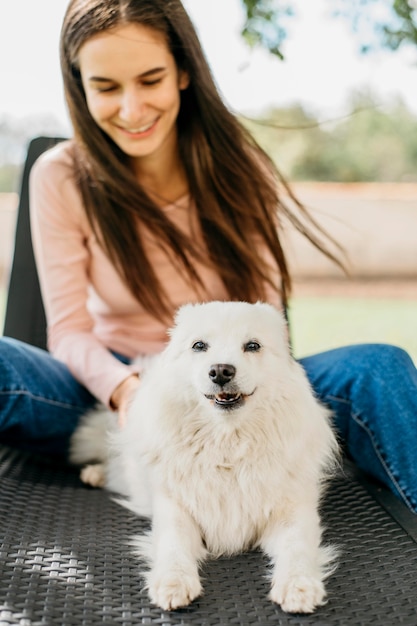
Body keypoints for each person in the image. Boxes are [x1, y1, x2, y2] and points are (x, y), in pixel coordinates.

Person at [1, 0, 417, 514]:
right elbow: (67, 332)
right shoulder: (59, 175)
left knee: (379, 367)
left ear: (182, 72)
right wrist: (129, 392)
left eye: (150, 80)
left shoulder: (241, 171)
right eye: (106, 88)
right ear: (79, 86)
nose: (131, 109)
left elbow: (266, 322)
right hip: (105, 396)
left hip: (228, 390)